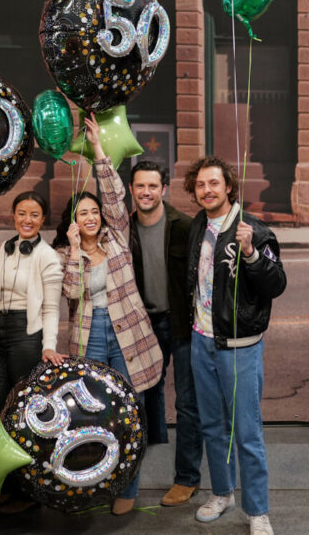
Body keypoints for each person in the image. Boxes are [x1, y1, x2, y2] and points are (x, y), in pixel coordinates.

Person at [52, 113, 164, 516]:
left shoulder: (116, 235)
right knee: (95, 412)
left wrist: (98, 148)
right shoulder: (69, 255)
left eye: (93, 211)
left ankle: (128, 488)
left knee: (129, 411)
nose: (91, 216)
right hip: (90, 335)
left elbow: (115, 194)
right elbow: (73, 293)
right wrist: (75, 253)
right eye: (82, 213)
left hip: (128, 334)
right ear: (72, 221)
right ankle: (95, 482)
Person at [184, 157, 287, 535]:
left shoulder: (253, 230)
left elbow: (276, 284)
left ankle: (257, 510)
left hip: (240, 345)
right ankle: (222, 492)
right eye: (200, 185)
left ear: (229, 186)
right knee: (212, 425)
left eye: (214, 183)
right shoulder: (198, 225)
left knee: (246, 431)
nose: (207, 190)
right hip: (201, 339)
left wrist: (250, 253)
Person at [0, 191, 64, 512]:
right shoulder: (4, 249)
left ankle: (28, 491)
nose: (27, 220)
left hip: (28, 334)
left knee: (23, 413)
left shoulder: (48, 256)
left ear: (42, 220)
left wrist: (48, 345)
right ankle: (1, 483)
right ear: (14, 215)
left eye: (34, 215)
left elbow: (52, 307)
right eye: (22, 213)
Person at [127, 160, 203, 507]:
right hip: (144, 326)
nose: (146, 192)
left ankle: (186, 478)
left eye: (152, 186)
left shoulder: (184, 226)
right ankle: (132, 476)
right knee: (142, 400)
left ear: (164, 189)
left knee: (187, 404)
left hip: (182, 325)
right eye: (140, 186)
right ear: (131, 190)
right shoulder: (123, 230)